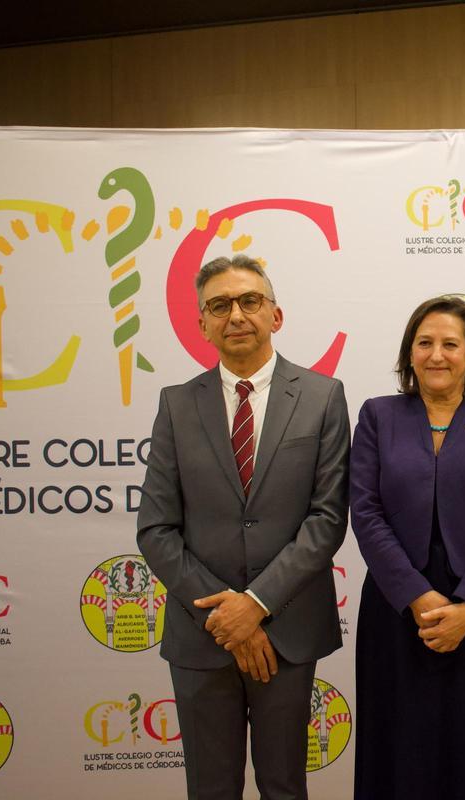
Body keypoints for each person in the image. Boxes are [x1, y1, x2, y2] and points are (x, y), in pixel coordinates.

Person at [137, 254, 350, 800]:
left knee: (284, 787)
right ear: (202, 323)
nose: (236, 314)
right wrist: (226, 614)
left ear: (275, 315)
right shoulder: (176, 405)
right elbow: (157, 529)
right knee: (210, 789)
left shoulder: (324, 397)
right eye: (219, 305)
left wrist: (255, 604)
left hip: (288, 630)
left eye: (250, 301)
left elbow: (327, 519)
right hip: (202, 634)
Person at [349, 296, 465, 800]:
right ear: (409, 354)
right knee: (401, 745)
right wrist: (418, 597)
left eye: (451, 344)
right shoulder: (377, 416)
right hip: (398, 608)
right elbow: (365, 513)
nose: (437, 355)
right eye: (424, 343)